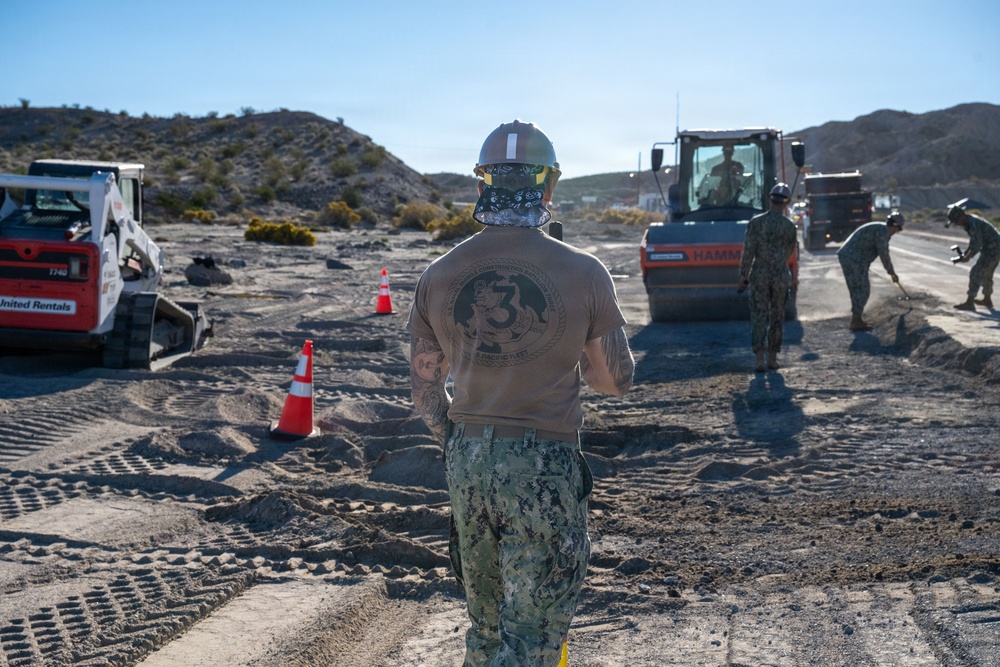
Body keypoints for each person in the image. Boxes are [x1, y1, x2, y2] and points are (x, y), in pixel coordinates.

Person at [407, 119, 635, 666]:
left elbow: (424, 388)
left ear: (482, 185)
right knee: (532, 636)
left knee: (485, 628)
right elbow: (615, 381)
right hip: (544, 462)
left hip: (467, 458)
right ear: (549, 187)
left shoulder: (438, 274)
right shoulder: (584, 271)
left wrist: (459, 445)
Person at [737, 182, 798, 372]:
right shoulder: (790, 226)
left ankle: (759, 360)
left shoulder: (756, 223)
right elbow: (790, 250)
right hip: (780, 276)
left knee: (758, 316)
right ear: (786, 203)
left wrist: (743, 276)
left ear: (770, 199)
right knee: (777, 317)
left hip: (759, 275)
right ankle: (773, 358)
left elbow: (748, 252)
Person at [836, 211, 904, 331]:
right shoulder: (883, 232)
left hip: (849, 256)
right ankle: (856, 321)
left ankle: (856, 319)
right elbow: (884, 255)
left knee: (857, 288)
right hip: (854, 258)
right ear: (895, 226)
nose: (896, 233)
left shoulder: (879, 228)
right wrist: (891, 272)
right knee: (863, 289)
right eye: (898, 230)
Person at [946, 200, 1000, 310]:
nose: (957, 223)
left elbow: (977, 243)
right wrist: (966, 254)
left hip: (993, 248)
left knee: (976, 272)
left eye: (956, 220)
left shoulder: (972, 223)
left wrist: (968, 256)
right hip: (994, 247)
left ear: (961, 216)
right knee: (986, 274)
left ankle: (970, 302)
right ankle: (987, 300)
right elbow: (973, 242)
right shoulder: (970, 221)